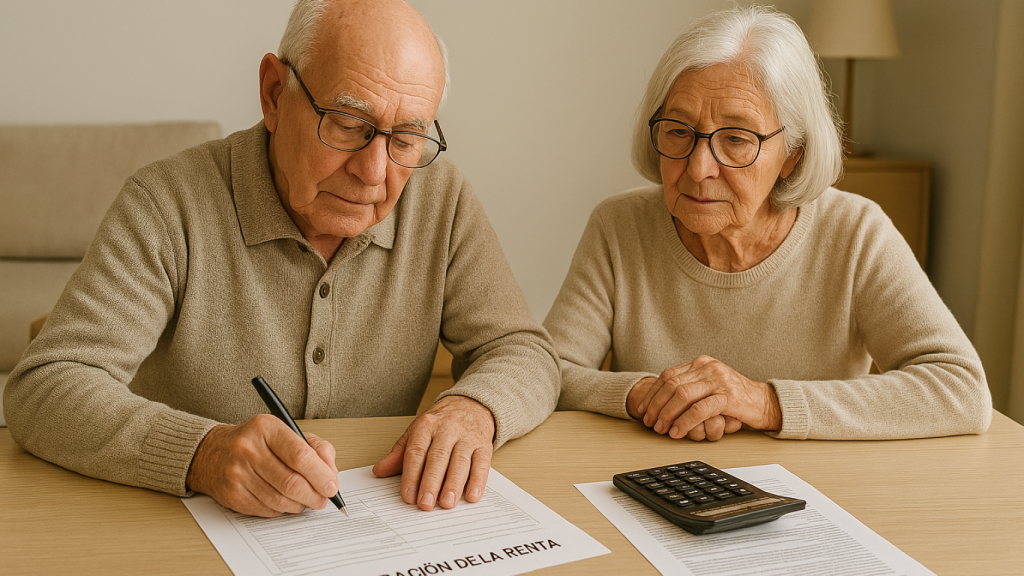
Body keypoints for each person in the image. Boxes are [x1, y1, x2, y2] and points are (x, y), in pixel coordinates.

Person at [4, 0, 559, 517]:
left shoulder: (442, 200)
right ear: (273, 93)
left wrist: (475, 408)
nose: (374, 171)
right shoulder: (167, 202)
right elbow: (44, 387)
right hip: (182, 527)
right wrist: (203, 451)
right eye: (346, 123)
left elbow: (522, 350)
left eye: (407, 138)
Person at [543, 6, 991, 442]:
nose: (699, 168)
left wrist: (763, 402)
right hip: (656, 485)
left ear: (792, 155)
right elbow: (548, 370)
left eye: (736, 139)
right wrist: (646, 396)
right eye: (679, 131)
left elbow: (961, 389)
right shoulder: (618, 226)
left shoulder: (855, 232)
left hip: (821, 497)